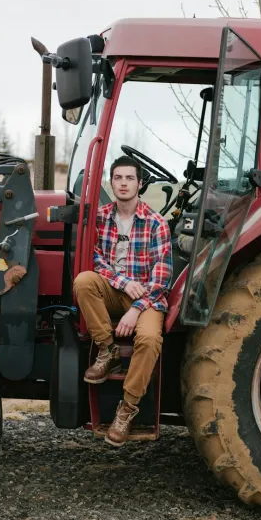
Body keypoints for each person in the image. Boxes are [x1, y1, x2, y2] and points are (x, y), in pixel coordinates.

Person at [73, 155, 172, 447]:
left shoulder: (155, 223)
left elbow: (162, 278)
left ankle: (127, 408)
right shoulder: (101, 217)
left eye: (130, 178)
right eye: (118, 178)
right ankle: (108, 350)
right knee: (84, 281)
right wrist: (123, 283)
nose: (124, 183)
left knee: (150, 339)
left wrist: (136, 310)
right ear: (111, 182)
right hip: (117, 290)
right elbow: (95, 259)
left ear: (140, 184)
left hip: (148, 298)